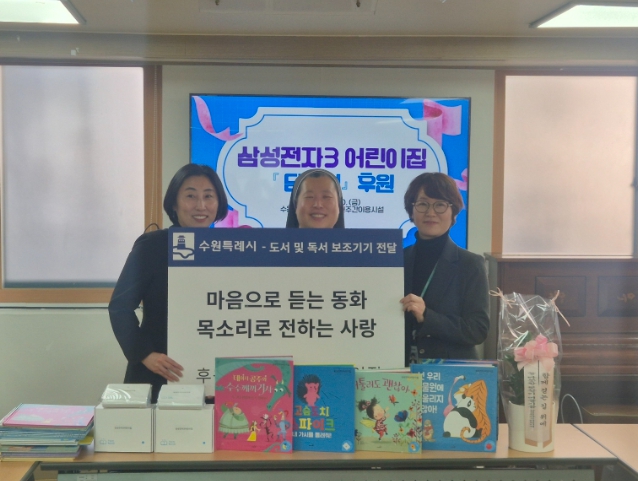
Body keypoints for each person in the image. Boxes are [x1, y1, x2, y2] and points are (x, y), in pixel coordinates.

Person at [108, 164, 228, 403]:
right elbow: (120, 307)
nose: (201, 206)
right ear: (174, 203)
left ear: (219, 203)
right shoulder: (153, 246)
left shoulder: (230, 249)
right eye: (190, 196)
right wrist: (145, 354)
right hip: (160, 373)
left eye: (208, 196)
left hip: (216, 375)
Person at [400, 172, 489, 365]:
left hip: (451, 374)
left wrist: (428, 317)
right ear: (411, 211)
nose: (431, 212)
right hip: (400, 370)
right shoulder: (397, 260)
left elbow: (477, 330)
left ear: (453, 212)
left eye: (440, 205)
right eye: (422, 204)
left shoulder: (471, 264)